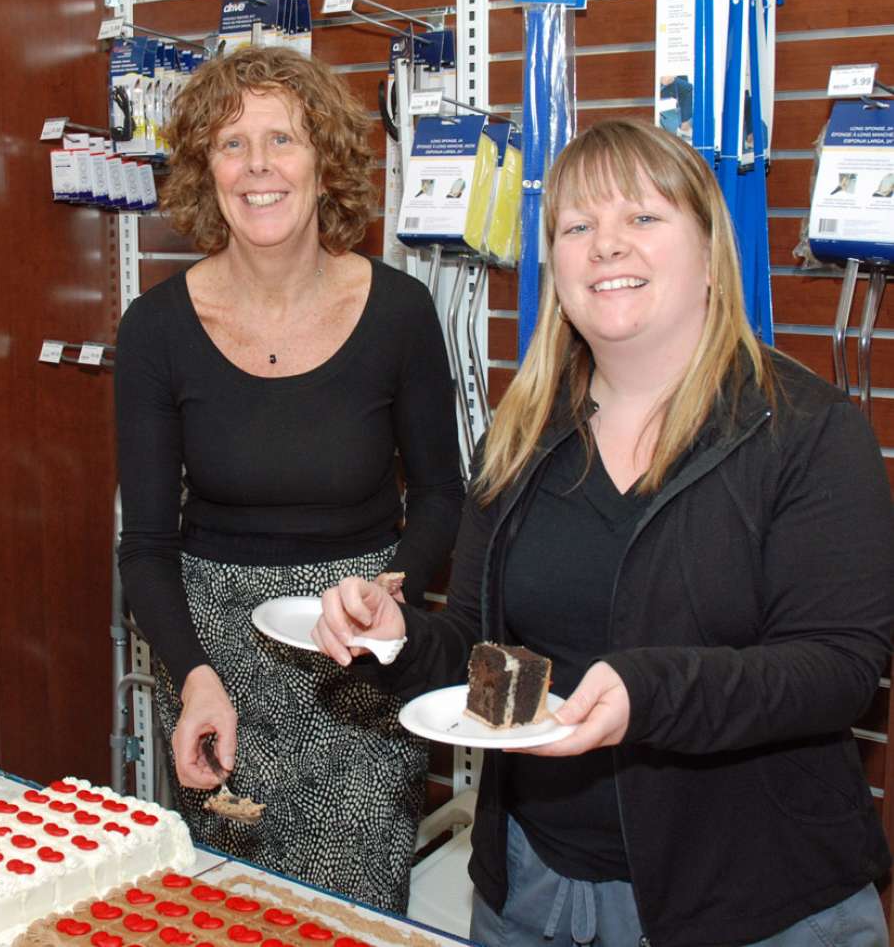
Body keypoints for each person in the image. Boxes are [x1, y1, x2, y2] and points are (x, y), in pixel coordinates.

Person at [316, 119, 894, 945]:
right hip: (536, 896)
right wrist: (397, 639)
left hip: (760, 906)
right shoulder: (519, 436)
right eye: (578, 226)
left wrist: (645, 694)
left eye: (643, 219)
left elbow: (837, 669)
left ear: (708, 250)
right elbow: (481, 649)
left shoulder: (804, 431)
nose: (606, 246)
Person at [113, 46, 464, 912]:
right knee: (220, 912)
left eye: (283, 139)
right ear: (205, 169)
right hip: (213, 662)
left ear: (325, 164)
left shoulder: (399, 314)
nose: (259, 166)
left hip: (358, 652)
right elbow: (148, 545)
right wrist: (192, 675)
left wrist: (391, 591)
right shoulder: (156, 328)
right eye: (232, 144)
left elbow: (443, 494)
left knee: (351, 914)